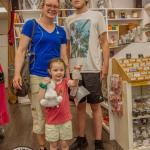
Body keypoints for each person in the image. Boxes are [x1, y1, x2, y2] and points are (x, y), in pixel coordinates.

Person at [12, 0, 69, 150]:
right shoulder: (31, 25)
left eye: (55, 6)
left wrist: (67, 78)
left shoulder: (61, 31)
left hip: (57, 79)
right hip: (37, 76)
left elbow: (64, 56)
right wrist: (17, 73)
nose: (52, 9)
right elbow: (21, 50)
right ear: (42, 6)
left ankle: (54, 146)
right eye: (48, 5)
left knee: (57, 113)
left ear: (59, 8)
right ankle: (43, 147)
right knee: (41, 115)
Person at [64, 0, 110, 150]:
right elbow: (68, 46)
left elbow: (104, 42)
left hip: (92, 68)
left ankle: (98, 141)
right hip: (75, 70)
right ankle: (81, 138)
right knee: (80, 106)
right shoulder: (68, 20)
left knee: (96, 106)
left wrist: (105, 65)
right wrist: (68, 70)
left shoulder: (97, 16)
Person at [38, 58, 80, 150]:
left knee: (64, 144)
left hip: (65, 120)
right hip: (51, 121)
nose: (59, 72)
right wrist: (43, 85)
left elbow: (74, 83)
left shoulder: (65, 81)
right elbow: (41, 100)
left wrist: (76, 73)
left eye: (61, 70)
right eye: (55, 70)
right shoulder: (47, 83)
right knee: (53, 145)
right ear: (49, 71)